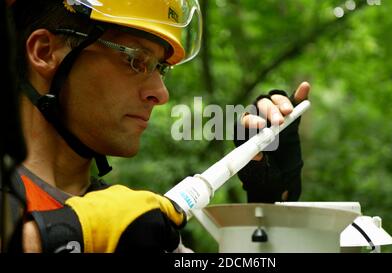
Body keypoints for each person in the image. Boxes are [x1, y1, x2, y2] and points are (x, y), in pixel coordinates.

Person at [7, 0, 310, 253]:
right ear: (45, 52)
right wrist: (70, 233)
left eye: (161, 68)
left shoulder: (131, 226)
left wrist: (268, 212)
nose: (161, 93)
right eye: (136, 60)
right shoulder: (110, 223)